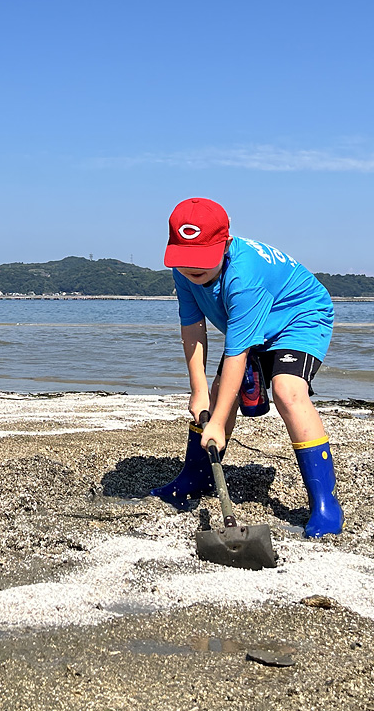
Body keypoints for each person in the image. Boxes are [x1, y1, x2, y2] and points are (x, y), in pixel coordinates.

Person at [151, 197, 343, 538]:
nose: (193, 271)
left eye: (202, 262)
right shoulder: (184, 267)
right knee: (213, 394)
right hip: (253, 323)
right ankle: (196, 477)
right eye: (186, 261)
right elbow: (193, 327)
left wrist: (220, 422)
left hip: (299, 316)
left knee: (287, 391)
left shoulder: (245, 277)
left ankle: (325, 504)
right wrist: (197, 392)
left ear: (224, 244)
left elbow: (236, 352)